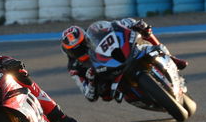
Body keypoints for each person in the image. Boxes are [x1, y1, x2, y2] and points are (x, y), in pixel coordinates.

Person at [60, 18, 188, 102]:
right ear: (68, 52)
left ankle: (172, 58)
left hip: (119, 56)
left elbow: (116, 25)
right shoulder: (74, 68)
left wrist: (134, 24)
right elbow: (88, 95)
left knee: (145, 35)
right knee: (106, 95)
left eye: (82, 45)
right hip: (106, 75)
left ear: (85, 39)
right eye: (75, 50)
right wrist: (92, 80)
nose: (81, 50)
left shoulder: (95, 33)